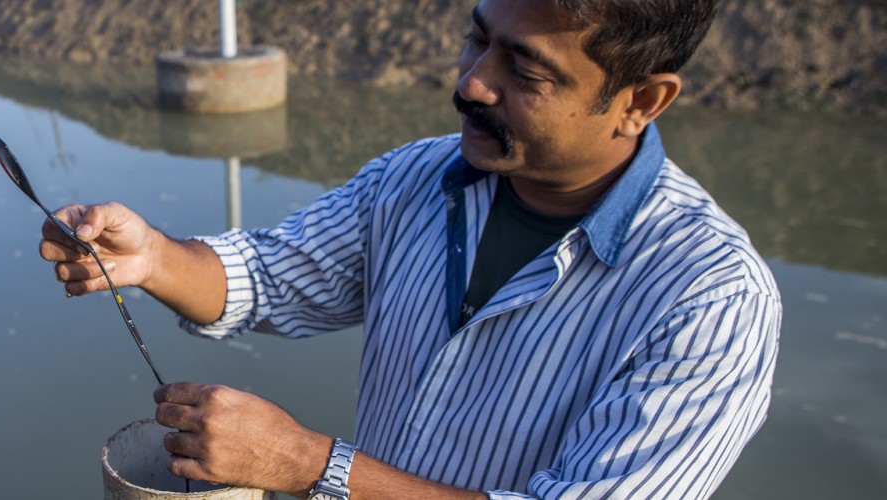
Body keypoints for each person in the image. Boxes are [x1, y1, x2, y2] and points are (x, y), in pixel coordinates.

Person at [40, 0, 780, 498]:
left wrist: (306, 464)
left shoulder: (710, 298)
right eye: (478, 38)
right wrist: (153, 260)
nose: (473, 82)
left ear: (641, 102)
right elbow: (273, 274)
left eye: (525, 70)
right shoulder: (417, 178)